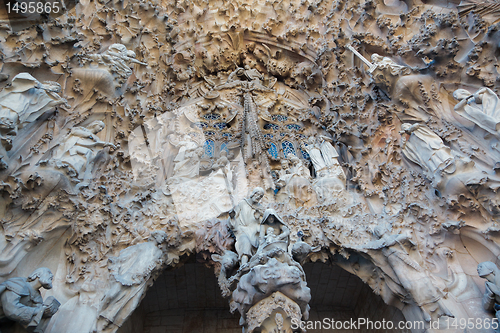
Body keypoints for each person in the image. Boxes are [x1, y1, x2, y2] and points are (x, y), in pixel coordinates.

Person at [228, 188, 265, 265]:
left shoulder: (260, 208)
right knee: (246, 242)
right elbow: (234, 216)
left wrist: (258, 217)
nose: (258, 197)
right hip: (242, 230)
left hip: (254, 233)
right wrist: (232, 217)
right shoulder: (243, 203)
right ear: (253, 193)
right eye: (257, 194)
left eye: (260, 196)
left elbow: (263, 224)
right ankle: (243, 265)